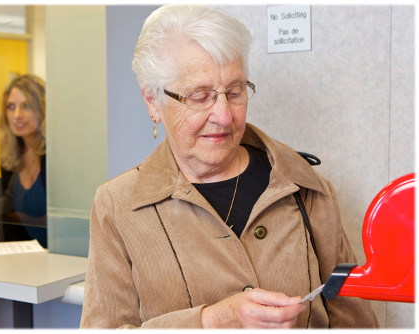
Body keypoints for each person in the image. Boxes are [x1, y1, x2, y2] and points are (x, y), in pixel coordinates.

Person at [80, 5, 378, 329]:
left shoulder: (305, 188)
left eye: (234, 92)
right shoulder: (117, 206)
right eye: (199, 96)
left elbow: (356, 322)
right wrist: (214, 319)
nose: (224, 116)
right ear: (153, 101)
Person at [0, 74, 47, 247]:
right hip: (24, 260)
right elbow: (8, 220)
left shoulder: (56, 157)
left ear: (42, 109)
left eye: (26, 106)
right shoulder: (9, 159)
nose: (17, 115)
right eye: (11, 107)